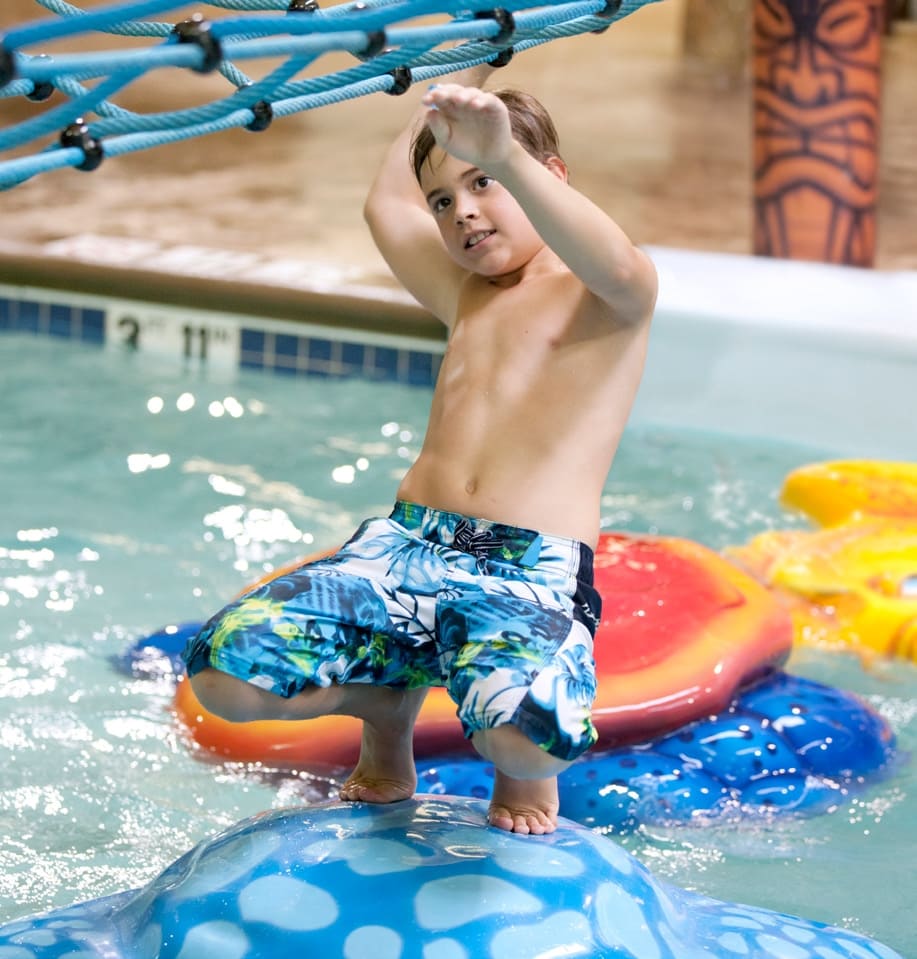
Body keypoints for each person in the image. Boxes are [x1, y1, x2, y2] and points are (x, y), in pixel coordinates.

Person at [182, 66, 657, 835]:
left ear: (550, 175)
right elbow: (384, 204)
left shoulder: (606, 297)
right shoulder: (462, 293)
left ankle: (520, 773)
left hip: (523, 568)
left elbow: (619, 261)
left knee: (527, 738)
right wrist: (455, 82)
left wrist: (504, 155)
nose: (461, 211)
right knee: (226, 674)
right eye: (443, 201)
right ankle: (383, 703)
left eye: (482, 184)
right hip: (406, 548)